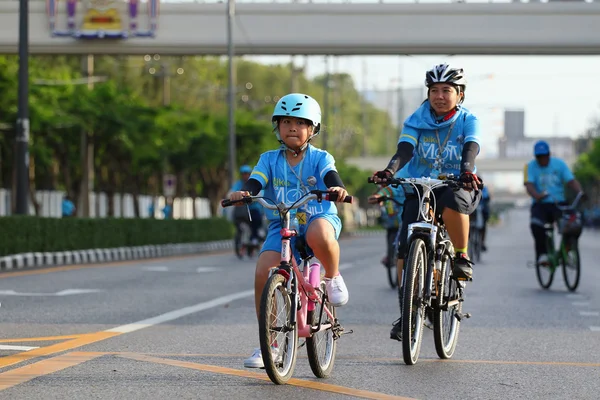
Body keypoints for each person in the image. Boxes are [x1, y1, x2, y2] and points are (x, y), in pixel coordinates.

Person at [228, 93, 350, 368]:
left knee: (319, 234)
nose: (292, 127)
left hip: (317, 216)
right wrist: (247, 192)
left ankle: (332, 276)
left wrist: (337, 188)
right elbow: (257, 181)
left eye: (299, 122)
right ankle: (269, 342)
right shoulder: (269, 159)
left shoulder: (320, 157)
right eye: (285, 122)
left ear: (313, 128)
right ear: (277, 128)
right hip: (281, 223)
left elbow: (331, 174)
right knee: (263, 271)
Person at [371, 63, 482, 341]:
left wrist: (467, 170)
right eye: (434, 90)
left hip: (456, 183)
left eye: (447, 90)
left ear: (460, 94)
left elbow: (471, 147)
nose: (440, 96)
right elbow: (405, 149)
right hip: (420, 185)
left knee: (452, 202)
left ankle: (461, 255)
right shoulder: (416, 119)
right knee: (404, 248)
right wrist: (389, 171)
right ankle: (407, 311)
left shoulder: (468, 120)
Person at [523, 140, 585, 266]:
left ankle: (567, 250)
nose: (542, 159)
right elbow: (529, 185)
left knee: (575, 223)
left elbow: (571, 181)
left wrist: (580, 192)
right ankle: (543, 254)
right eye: (539, 156)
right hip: (541, 204)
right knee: (536, 225)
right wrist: (537, 195)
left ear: (549, 154)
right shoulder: (530, 166)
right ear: (535, 156)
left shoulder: (560, 164)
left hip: (559, 203)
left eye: (544, 156)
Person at [368, 179, 405, 269]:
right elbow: (378, 195)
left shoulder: (402, 179)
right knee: (390, 233)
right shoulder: (383, 187)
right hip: (392, 219)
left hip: (403, 214)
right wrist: (378, 198)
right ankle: (389, 255)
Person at [230, 165, 265, 256]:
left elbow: (262, 192)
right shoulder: (238, 184)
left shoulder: (255, 182)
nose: (245, 175)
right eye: (243, 174)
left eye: (247, 173)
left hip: (254, 209)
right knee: (237, 220)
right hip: (242, 210)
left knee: (256, 220)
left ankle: (254, 238)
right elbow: (232, 192)